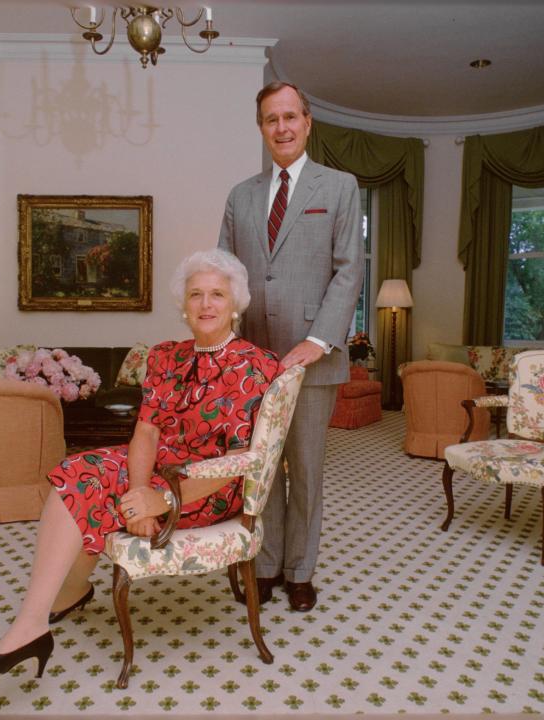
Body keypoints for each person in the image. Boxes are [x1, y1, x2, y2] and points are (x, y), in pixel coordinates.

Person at [0, 248, 280, 678]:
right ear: (183, 305)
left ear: (235, 303)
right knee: (76, 473)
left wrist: (161, 501)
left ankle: (65, 598)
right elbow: (146, 431)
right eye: (196, 294)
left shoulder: (256, 364)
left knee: (92, 491)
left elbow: (240, 460)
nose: (206, 305)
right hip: (159, 470)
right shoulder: (167, 356)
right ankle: (33, 623)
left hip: (209, 487)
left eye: (217, 295)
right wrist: (137, 490)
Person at [218, 81, 363, 612]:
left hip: (314, 360)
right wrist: (226, 342)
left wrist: (317, 340)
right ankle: (267, 564)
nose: (281, 127)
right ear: (261, 128)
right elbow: (227, 273)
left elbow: (350, 272)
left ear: (307, 122)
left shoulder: (340, 187)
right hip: (252, 359)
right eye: (270, 119)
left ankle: (302, 571)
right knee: (261, 466)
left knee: (304, 468)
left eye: (289, 117)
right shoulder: (241, 195)